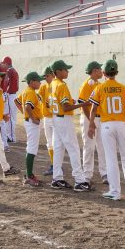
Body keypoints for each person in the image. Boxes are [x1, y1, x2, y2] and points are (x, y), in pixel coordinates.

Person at [88, 59, 125, 201]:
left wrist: (91, 125)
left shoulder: (99, 88)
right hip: (122, 125)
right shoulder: (123, 88)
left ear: (104, 73)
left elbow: (93, 108)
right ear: (116, 72)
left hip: (107, 125)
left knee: (111, 159)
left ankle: (115, 191)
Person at [50, 60, 90, 191]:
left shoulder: (52, 84)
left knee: (59, 149)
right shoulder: (61, 85)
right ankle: (80, 181)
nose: (67, 71)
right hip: (63, 119)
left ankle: (57, 178)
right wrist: (82, 104)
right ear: (58, 71)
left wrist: (71, 102)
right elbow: (66, 107)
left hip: (56, 117)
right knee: (73, 148)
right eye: (65, 69)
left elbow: (48, 104)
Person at [78, 61, 107, 185]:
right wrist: (91, 121)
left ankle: (104, 173)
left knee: (102, 146)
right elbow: (84, 104)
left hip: (99, 118)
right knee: (89, 146)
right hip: (89, 118)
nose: (101, 71)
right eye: (100, 69)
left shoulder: (98, 84)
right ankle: (87, 174)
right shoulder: (87, 84)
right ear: (95, 71)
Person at [15, 71, 43, 187]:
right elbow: (27, 106)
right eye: (38, 81)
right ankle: (29, 176)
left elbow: (16, 101)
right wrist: (32, 117)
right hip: (32, 123)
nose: (40, 83)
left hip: (29, 122)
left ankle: (29, 174)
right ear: (32, 82)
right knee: (32, 149)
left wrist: (24, 113)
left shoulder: (26, 91)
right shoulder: (30, 92)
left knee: (31, 148)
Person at [38, 66, 55, 176]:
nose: (46, 78)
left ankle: (57, 165)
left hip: (55, 118)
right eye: (44, 76)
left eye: (47, 76)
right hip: (46, 118)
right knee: (49, 143)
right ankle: (54, 165)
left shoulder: (57, 85)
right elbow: (39, 99)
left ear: (53, 75)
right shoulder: (43, 87)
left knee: (56, 143)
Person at [2, 56, 19, 144]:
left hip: (10, 95)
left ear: (7, 63)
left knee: (9, 117)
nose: (3, 65)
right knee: (12, 117)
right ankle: (11, 136)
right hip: (14, 95)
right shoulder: (14, 70)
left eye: (4, 63)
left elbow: (6, 83)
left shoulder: (9, 71)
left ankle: (11, 137)